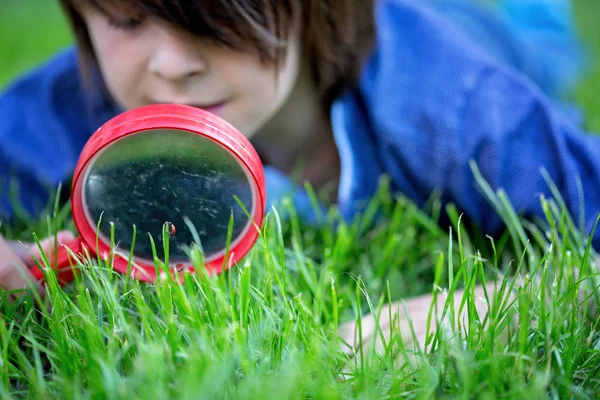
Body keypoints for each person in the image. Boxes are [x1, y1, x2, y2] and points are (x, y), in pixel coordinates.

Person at [0, 0, 596, 336]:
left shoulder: (454, 98)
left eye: (209, 11)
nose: (173, 64)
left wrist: (441, 320)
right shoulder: (70, 103)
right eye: (129, 21)